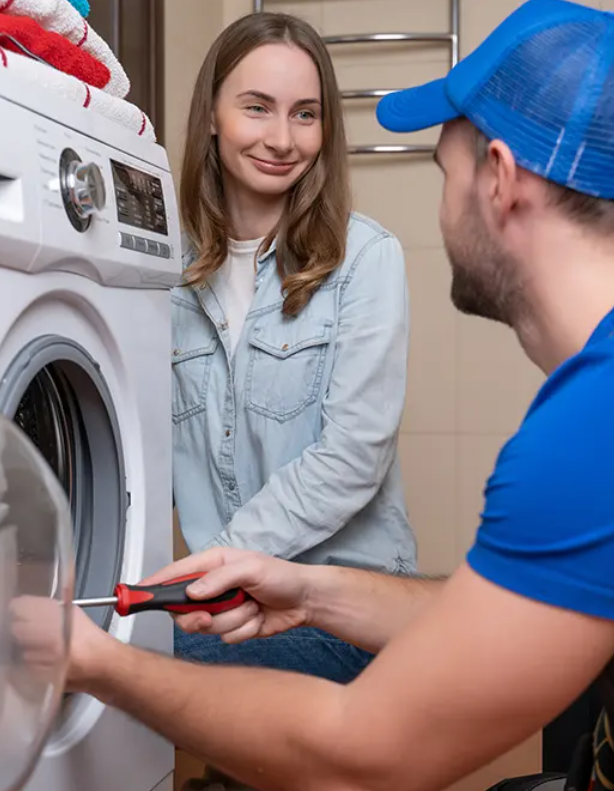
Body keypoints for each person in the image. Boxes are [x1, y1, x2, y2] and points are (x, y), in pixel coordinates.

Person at [14, 1, 614, 789]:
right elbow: (499, 610)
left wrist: (94, 663)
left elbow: (363, 755)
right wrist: (308, 591)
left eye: (442, 168)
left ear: (498, 178)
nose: (437, 205)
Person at [167, 10, 417, 684]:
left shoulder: (366, 258)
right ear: (212, 116)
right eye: (257, 108)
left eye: (305, 115)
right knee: (99, 642)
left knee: (122, 657)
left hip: (343, 610)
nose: (282, 138)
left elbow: (351, 458)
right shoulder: (167, 279)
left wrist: (210, 566)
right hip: (229, 602)